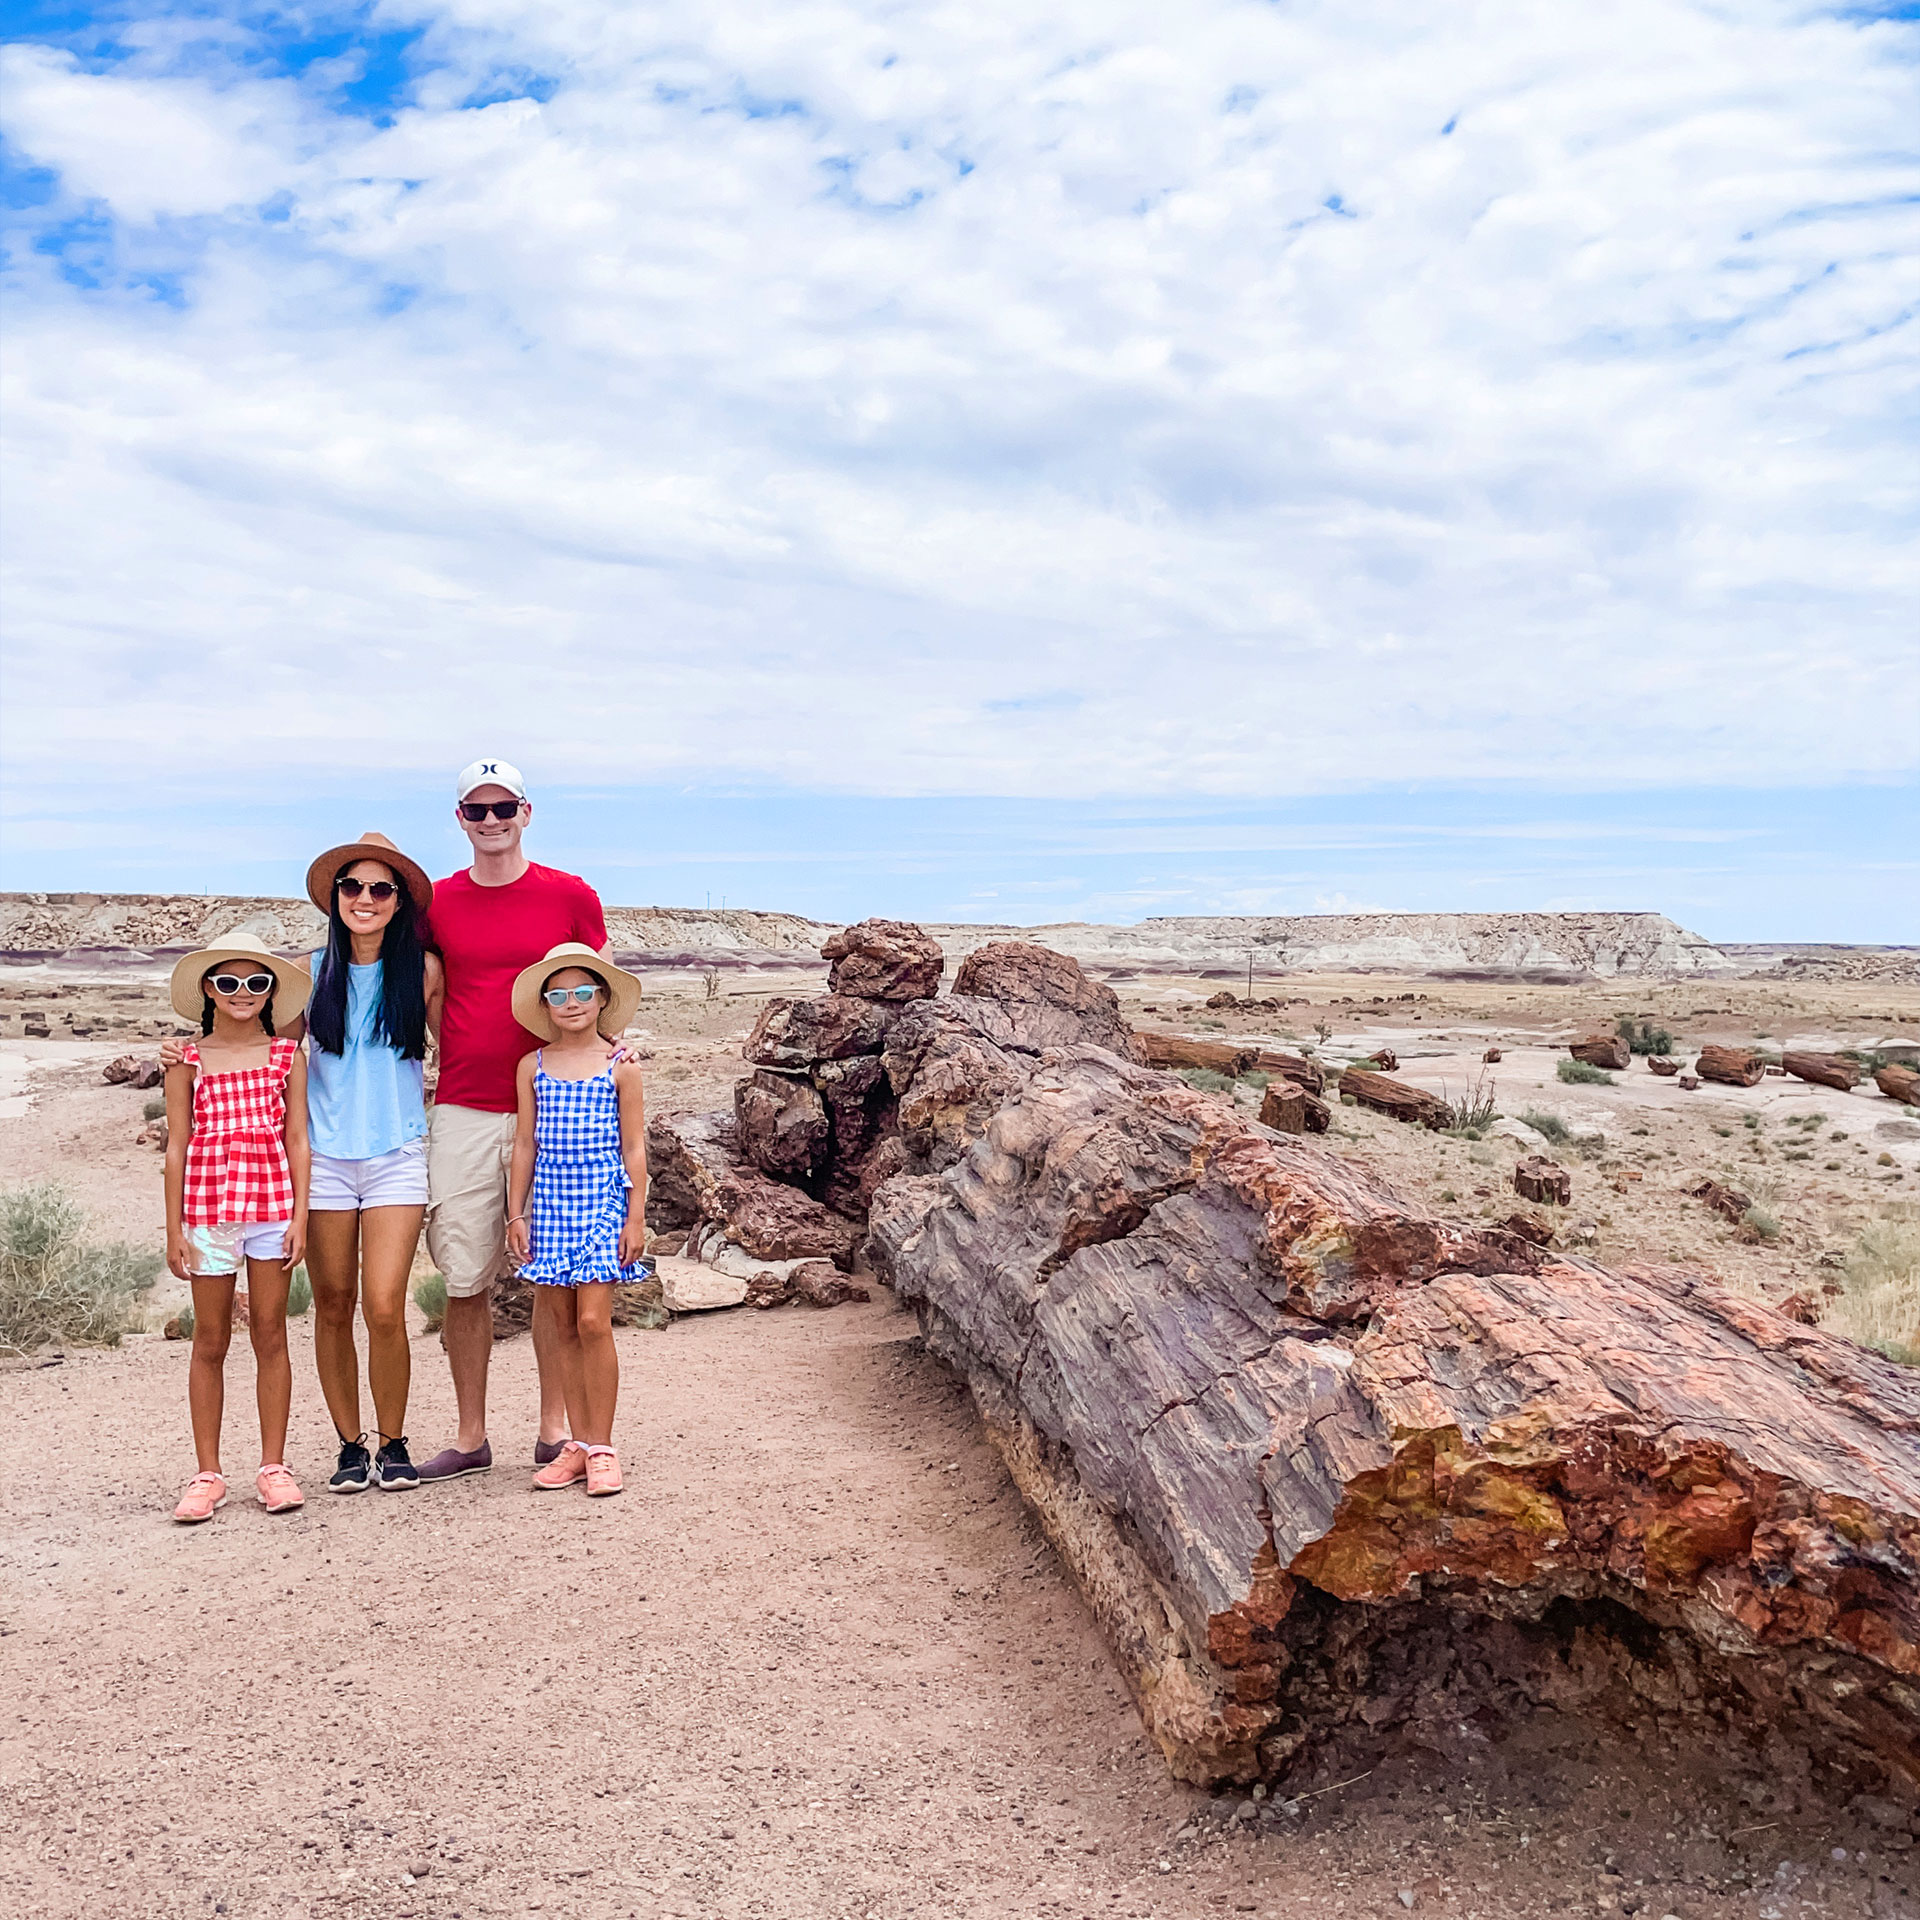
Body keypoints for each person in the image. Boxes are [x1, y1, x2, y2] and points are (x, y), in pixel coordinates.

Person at [416, 758, 623, 1484]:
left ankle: (555, 1430)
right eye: (478, 810)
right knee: (466, 1277)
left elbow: (595, 982)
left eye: (504, 807)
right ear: (461, 820)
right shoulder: (438, 902)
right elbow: (432, 989)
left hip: (561, 1107)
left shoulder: (571, 895)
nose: (492, 820)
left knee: (551, 1275)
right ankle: (471, 1436)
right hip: (468, 1104)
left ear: (527, 813)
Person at [301, 831, 444, 1494]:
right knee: (333, 1302)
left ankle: (394, 1441)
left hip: (395, 1156)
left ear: (399, 902)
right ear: (335, 898)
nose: (364, 898)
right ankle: (349, 1447)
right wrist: (184, 1057)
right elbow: (249, 1038)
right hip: (325, 1161)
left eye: (379, 888)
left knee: (384, 1304)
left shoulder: (423, 971)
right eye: (352, 887)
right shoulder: (310, 973)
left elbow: (464, 1041)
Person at [162, 935, 312, 1524]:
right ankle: (208, 1473)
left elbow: (298, 1138)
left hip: (272, 1207)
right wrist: (172, 1226)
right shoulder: (186, 1060)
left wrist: (300, 1216)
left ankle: (273, 1467)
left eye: (256, 983)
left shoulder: (284, 1056)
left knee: (271, 1333)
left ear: (271, 991)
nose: (243, 993)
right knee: (211, 1338)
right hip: (206, 1212)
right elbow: (177, 1146)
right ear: (208, 989)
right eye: (229, 983)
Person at [505, 945, 650, 1497]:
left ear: (603, 999)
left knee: (593, 1321)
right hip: (550, 1202)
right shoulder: (533, 1065)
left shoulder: (621, 1066)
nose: (571, 1003)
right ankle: (580, 1444)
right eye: (558, 994)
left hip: (602, 1197)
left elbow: (634, 1146)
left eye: (583, 992)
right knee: (562, 1325)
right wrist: (516, 1211)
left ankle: (604, 1445)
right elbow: (524, 1141)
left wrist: (635, 1216)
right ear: (545, 1005)